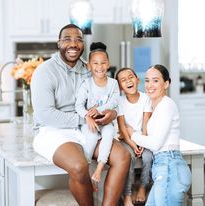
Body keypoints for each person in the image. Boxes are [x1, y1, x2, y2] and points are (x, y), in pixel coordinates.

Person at [31, 24, 130, 206]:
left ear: (83, 44)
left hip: (86, 127)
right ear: (58, 43)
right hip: (53, 130)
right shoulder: (44, 72)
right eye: (67, 39)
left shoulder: (89, 68)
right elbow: (46, 115)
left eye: (78, 39)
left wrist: (111, 113)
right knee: (78, 166)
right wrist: (85, 118)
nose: (73, 44)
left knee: (123, 157)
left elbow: (108, 95)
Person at [127, 64, 191, 206]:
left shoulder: (167, 105)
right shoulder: (154, 106)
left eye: (155, 80)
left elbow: (156, 143)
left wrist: (132, 134)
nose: (150, 85)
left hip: (169, 167)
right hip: (164, 167)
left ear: (166, 83)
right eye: (147, 80)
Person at [75, 42, 120, 184]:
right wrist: (87, 116)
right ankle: (86, 172)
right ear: (89, 66)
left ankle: (99, 169)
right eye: (95, 63)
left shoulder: (113, 83)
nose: (99, 67)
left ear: (108, 64)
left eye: (103, 63)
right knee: (92, 138)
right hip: (91, 121)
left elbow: (114, 102)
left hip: (106, 121)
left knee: (108, 135)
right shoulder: (86, 84)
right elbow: (78, 105)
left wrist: (99, 110)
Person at [115, 68, 152, 206]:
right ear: (119, 86)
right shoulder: (119, 101)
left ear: (137, 80)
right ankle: (128, 194)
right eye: (123, 80)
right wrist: (132, 144)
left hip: (143, 137)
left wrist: (142, 142)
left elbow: (146, 123)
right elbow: (122, 127)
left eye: (130, 77)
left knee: (148, 157)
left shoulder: (145, 98)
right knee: (128, 158)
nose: (128, 81)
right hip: (126, 139)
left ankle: (142, 187)